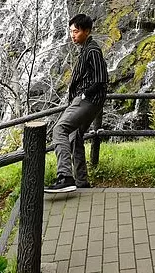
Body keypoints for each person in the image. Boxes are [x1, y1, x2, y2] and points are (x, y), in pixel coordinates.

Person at [45, 14, 108, 193]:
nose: (73, 35)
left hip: (88, 101)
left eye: (76, 31)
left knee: (60, 129)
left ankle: (65, 176)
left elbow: (101, 79)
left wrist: (82, 95)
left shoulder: (93, 50)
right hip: (87, 100)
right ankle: (81, 182)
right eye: (71, 31)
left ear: (86, 31)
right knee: (74, 136)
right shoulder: (86, 49)